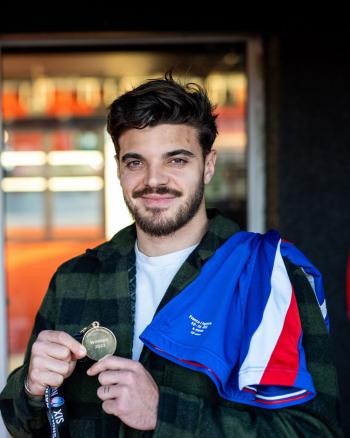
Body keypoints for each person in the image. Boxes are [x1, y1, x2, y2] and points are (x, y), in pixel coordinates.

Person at [0, 72, 343, 437]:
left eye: (176, 160)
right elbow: (22, 423)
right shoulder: (75, 278)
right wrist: (32, 389)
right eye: (135, 162)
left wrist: (164, 412)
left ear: (208, 165)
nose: (154, 180)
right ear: (118, 167)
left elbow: (315, 431)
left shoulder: (267, 274)